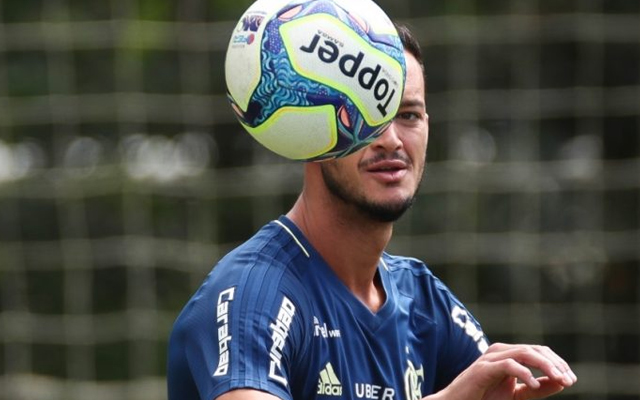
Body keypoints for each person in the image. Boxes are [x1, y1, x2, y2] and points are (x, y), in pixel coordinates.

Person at [167, 23, 577, 400]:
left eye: (409, 115)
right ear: (314, 132)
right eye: (368, 115)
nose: (392, 140)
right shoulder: (252, 294)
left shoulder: (425, 302)